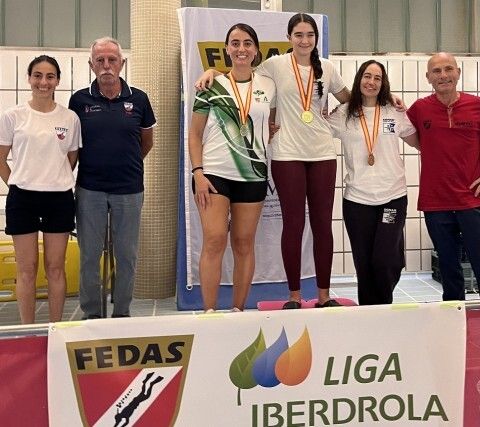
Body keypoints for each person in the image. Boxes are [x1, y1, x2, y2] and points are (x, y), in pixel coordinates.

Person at [196, 13, 350, 309]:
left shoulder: (327, 68)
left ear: (316, 39)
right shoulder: (275, 65)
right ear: (289, 37)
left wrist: (335, 119)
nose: (304, 40)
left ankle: (324, 295)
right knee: (293, 224)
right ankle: (294, 296)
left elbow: (348, 99)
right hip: (286, 153)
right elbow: (240, 70)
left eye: (310, 35)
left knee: (322, 224)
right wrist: (212, 71)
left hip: (322, 153)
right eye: (298, 35)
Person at [189, 23, 275, 312]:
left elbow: (270, 123)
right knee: (214, 240)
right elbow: (194, 135)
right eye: (235, 43)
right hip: (214, 174)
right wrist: (198, 172)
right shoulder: (210, 86)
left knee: (243, 243)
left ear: (256, 50)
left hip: (253, 174)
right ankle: (209, 312)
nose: (241, 49)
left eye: (247, 43)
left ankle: (238, 310)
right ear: (227, 49)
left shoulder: (268, 85)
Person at [69, 37, 156, 318]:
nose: (106, 65)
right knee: (89, 257)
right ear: (91, 65)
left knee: (126, 257)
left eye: (112, 60)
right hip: (90, 190)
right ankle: (92, 315)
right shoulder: (78, 100)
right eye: (100, 60)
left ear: (122, 63)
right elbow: (73, 145)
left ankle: (121, 314)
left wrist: (125, 163)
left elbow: (146, 142)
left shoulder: (139, 99)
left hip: (129, 190)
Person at [328, 60, 419, 305]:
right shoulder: (344, 114)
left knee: (385, 260)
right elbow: (316, 133)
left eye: (377, 78)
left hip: (392, 197)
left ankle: (383, 305)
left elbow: (419, 143)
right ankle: (370, 313)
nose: (371, 82)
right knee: (364, 264)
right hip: (357, 201)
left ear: (383, 83)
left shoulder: (393, 112)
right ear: (359, 79)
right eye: (367, 76)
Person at [0, 55, 81, 324]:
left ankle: (55, 328)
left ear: (57, 81)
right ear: (29, 78)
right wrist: (18, 182)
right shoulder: (13, 116)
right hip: (22, 198)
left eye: (49, 76)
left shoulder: (69, 118)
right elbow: (1, 159)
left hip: (59, 198)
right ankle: (27, 330)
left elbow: (71, 158)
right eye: (37, 75)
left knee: (55, 268)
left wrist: (53, 178)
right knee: (27, 269)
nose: (43, 82)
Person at [407, 52, 480, 301]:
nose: (443, 75)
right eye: (436, 71)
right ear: (428, 77)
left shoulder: (476, 105)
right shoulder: (419, 109)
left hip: (472, 201)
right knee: (448, 270)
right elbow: (398, 126)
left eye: (448, 69)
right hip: (435, 202)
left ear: (458, 72)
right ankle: (452, 317)